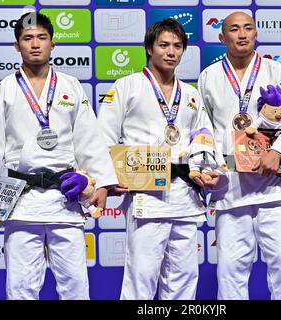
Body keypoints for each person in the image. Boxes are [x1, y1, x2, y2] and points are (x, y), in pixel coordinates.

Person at [0, 12, 118, 300]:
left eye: (41, 37)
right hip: (21, 201)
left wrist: (102, 184)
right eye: (27, 38)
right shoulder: (5, 90)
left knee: (75, 286)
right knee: (21, 287)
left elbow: (88, 138)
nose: (35, 44)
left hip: (65, 200)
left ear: (53, 44)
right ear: (16, 46)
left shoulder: (71, 87)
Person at [97, 18, 220, 300]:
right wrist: (108, 180)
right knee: (142, 276)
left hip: (186, 196)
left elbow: (203, 137)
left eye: (177, 46)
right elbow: (103, 138)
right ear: (149, 48)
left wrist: (204, 169)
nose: (171, 52)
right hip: (146, 195)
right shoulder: (126, 86)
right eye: (163, 45)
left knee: (184, 277)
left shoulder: (190, 95)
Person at [197, 11, 281, 300]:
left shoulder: (275, 71)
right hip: (230, 185)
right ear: (222, 38)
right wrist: (208, 167)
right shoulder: (209, 76)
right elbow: (203, 129)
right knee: (231, 270)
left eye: (247, 28)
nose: (241, 34)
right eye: (234, 29)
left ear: (256, 34)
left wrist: (278, 152)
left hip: (270, 184)